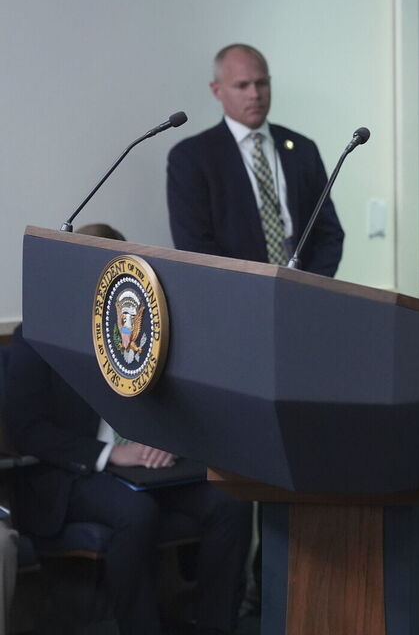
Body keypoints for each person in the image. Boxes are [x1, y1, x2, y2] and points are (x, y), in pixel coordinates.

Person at [5, 225, 252, 634]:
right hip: (77, 472)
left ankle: (216, 626)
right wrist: (108, 454)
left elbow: (176, 407)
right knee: (134, 513)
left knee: (230, 503)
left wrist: (162, 440)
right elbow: (25, 430)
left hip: (149, 464)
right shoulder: (37, 338)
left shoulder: (145, 329)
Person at [167, 44, 344, 276]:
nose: (255, 94)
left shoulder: (302, 149)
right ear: (217, 90)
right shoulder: (192, 157)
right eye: (242, 85)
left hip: (304, 294)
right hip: (233, 297)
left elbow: (328, 232)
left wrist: (311, 286)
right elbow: (194, 245)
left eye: (261, 83)